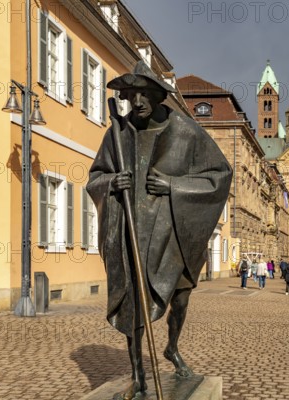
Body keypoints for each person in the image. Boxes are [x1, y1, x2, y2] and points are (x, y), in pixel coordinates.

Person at [87, 61, 232, 399]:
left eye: (144, 94)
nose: (136, 101)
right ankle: (138, 372)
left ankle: (172, 347)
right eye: (131, 94)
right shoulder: (117, 134)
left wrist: (173, 185)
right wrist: (111, 182)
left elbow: (219, 176)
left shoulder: (186, 131)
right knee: (132, 302)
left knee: (180, 298)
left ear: (157, 95)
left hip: (173, 233)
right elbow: (96, 178)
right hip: (132, 231)